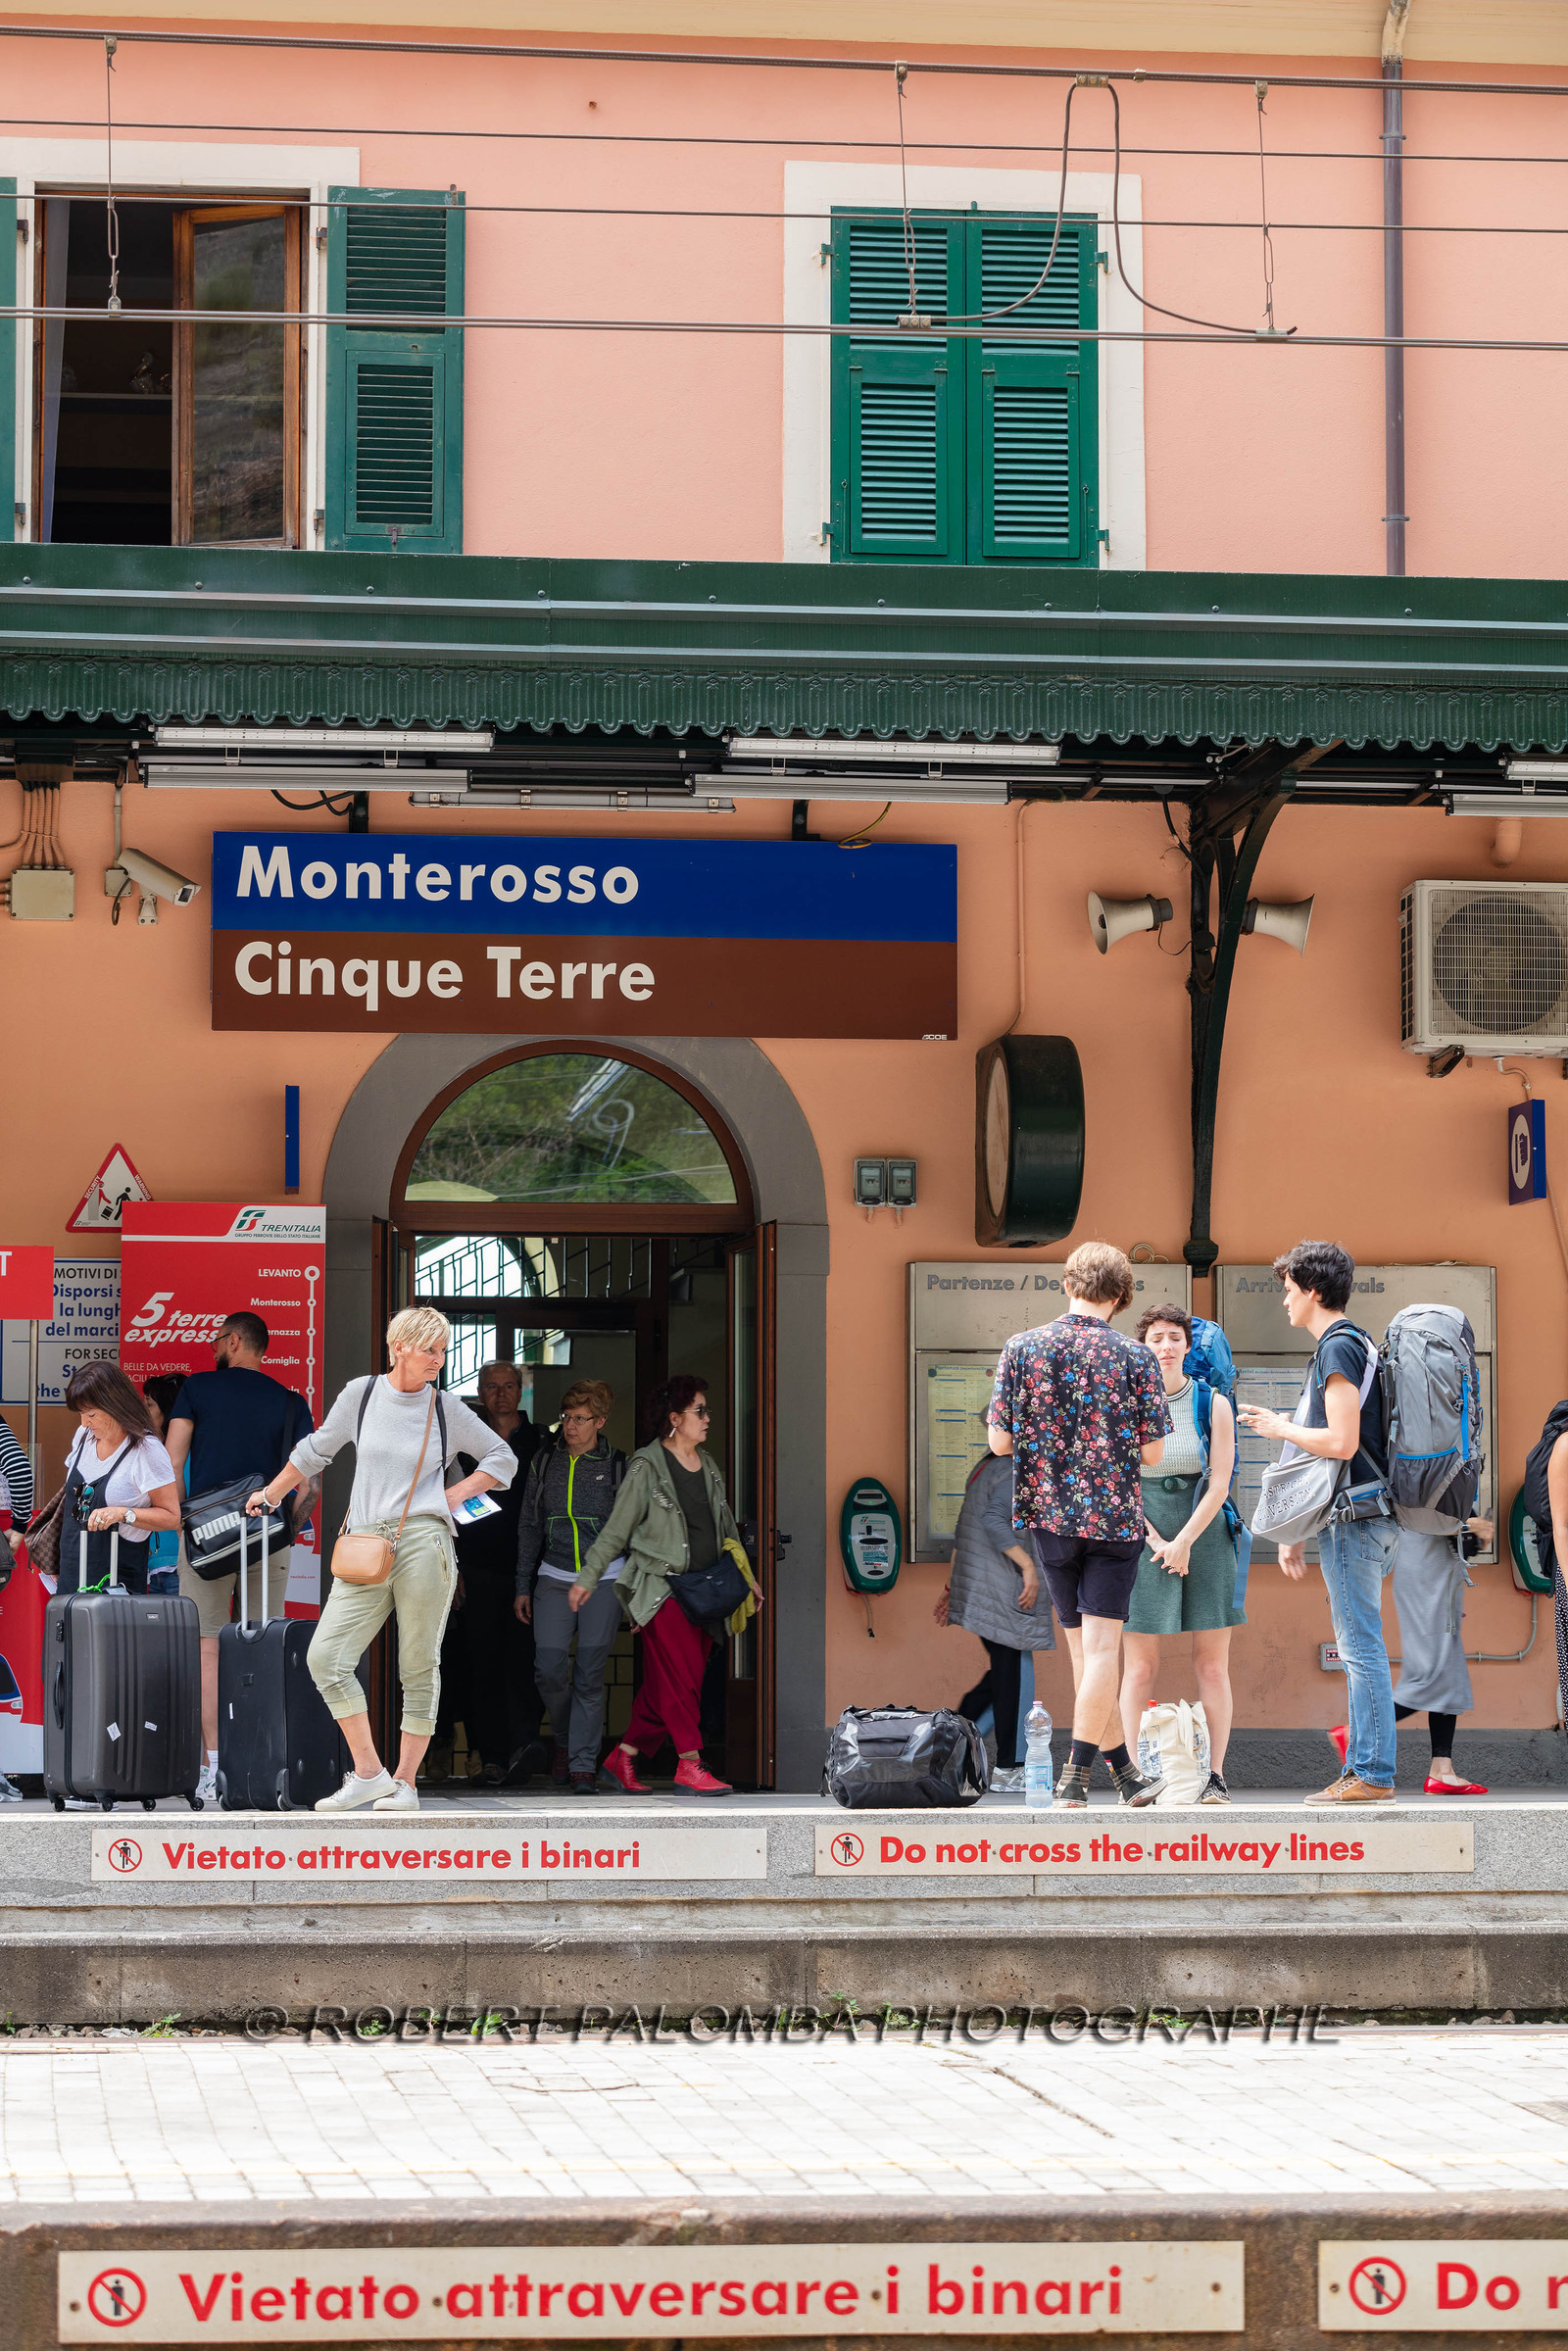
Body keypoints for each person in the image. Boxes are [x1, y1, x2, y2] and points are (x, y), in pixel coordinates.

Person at [246, 1305, 515, 1815]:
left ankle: (406, 1782)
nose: (439, 1358)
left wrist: (456, 1493)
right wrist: (272, 1492)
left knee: (418, 1664)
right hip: (367, 1543)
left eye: (443, 1349)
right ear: (399, 1348)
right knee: (325, 1657)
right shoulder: (363, 1394)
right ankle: (369, 1773)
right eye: (429, 1349)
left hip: (425, 1541)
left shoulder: (446, 1408)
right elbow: (316, 1450)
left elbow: (503, 1458)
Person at [987, 1241, 1171, 1810]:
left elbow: (999, 1442)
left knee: (1081, 1653)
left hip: (1049, 1518)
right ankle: (1075, 1775)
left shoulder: (1022, 1348)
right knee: (1102, 1653)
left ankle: (1125, 1774)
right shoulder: (1136, 1357)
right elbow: (1154, 1456)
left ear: (1067, 1285)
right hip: (1114, 1520)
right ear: (1119, 1298)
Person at [1238, 1239, 1396, 1807]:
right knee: (1359, 1643)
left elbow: (1341, 1441)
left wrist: (1280, 1428)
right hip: (1355, 1514)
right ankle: (1365, 1770)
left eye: (1287, 1291)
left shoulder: (1338, 1349)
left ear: (1311, 1291)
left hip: (1355, 1518)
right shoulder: (1350, 1345)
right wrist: (1297, 1530)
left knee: (1359, 1646)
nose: (1284, 1303)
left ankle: (1373, 1773)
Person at [165, 1311, 318, 1800]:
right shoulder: (291, 1403)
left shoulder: (197, 1389)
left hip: (207, 1537)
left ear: (233, 1341)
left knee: (208, 1649)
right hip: (265, 1534)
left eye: (216, 1341)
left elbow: (170, 1461)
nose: (213, 1349)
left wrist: (179, 1519)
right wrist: (287, 1533)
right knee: (263, 1647)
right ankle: (259, 1758)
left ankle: (211, 1768)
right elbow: (309, 1484)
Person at [569, 1373, 740, 1797]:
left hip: (705, 1591)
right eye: (699, 1410)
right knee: (680, 1683)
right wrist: (588, 1578)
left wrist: (748, 1580)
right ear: (674, 1419)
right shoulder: (647, 1466)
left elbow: (727, 1529)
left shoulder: (710, 1464)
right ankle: (690, 1765)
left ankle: (622, 1756)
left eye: (706, 1410)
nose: (707, 1418)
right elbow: (616, 1529)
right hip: (660, 1590)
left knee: (673, 1683)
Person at [1119, 1302, 1243, 1806]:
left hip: (1205, 1531)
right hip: (1142, 1532)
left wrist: (1185, 1541)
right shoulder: (1126, 1401)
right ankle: (1134, 1777)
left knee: (1212, 1664)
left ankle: (1215, 1775)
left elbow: (1220, 1481)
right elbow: (1118, 1482)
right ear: (1141, 1347)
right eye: (1155, 1338)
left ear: (1188, 1346)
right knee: (1139, 1666)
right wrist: (1158, 1543)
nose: (1165, 1346)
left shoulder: (1212, 1403)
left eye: (1174, 1337)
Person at [515, 1380, 627, 1792]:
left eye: (580, 1418)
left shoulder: (618, 1465)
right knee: (548, 1668)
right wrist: (522, 1584)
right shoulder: (545, 1462)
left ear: (600, 1420)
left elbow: (630, 1530)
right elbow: (529, 1526)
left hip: (605, 1579)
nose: (571, 1426)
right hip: (554, 1576)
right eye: (566, 1417)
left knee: (590, 1676)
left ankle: (581, 1763)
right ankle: (565, 1740)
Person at [934, 1451, 1055, 1792]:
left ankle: (950, 1752)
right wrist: (1028, 1567)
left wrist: (951, 1586)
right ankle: (1011, 1766)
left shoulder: (986, 1465)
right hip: (1006, 1591)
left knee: (999, 1682)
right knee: (1016, 1679)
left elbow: (964, 1528)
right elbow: (993, 1520)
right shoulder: (1018, 1467)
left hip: (984, 1589)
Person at [1345, 1519, 1492, 1795]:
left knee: (1447, 1674)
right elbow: (1430, 1512)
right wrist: (1471, 1527)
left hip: (1430, 1568)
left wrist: (1470, 1531)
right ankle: (1354, 1733)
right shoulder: (1431, 1473)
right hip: (1430, 1572)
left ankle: (1442, 1770)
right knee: (1430, 1675)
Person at [452, 1360, 543, 1787]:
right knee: (481, 1665)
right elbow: (445, 1504)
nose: (501, 1393)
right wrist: (454, 1568)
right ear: (481, 1391)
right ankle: (489, 1757)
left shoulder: (542, 1441)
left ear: (520, 1392)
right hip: (477, 1567)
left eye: (509, 1386)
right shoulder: (466, 1440)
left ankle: (524, 1747)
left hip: (533, 1572)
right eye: (492, 1387)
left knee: (525, 1664)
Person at [58, 1363, 182, 1596]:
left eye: (91, 1414)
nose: (84, 1422)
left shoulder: (146, 1450)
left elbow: (172, 1517)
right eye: (81, 1414)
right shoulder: (83, 1437)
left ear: (115, 1405)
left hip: (117, 1586)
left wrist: (123, 1513)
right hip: (71, 1578)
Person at [139, 1375, 186, 1597]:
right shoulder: (151, 1450)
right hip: (153, 1563)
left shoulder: (184, 1456)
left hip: (178, 1562)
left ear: (168, 1411)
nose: (142, 1411)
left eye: (149, 1404)